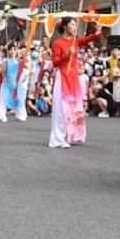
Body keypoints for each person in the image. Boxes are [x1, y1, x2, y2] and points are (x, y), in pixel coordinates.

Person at [49, 18, 106, 148]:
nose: (75, 27)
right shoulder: (58, 43)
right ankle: (58, 138)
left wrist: (98, 30)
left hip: (73, 78)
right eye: (73, 25)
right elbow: (54, 62)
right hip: (62, 77)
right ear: (65, 27)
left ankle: (72, 135)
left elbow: (91, 38)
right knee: (61, 109)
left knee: (74, 107)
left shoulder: (76, 42)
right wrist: (66, 55)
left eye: (76, 25)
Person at [0, 45, 20, 123]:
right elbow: (1, 71)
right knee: (3, 98)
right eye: (11, 50)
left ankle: (20, 114)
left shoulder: (18, 60)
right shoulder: (5, 60)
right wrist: (5, 64)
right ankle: (2, 115)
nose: (12, 51)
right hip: (7, 80)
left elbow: (25, 69)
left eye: (14, 50)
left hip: (15, 81)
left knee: (17, 97)